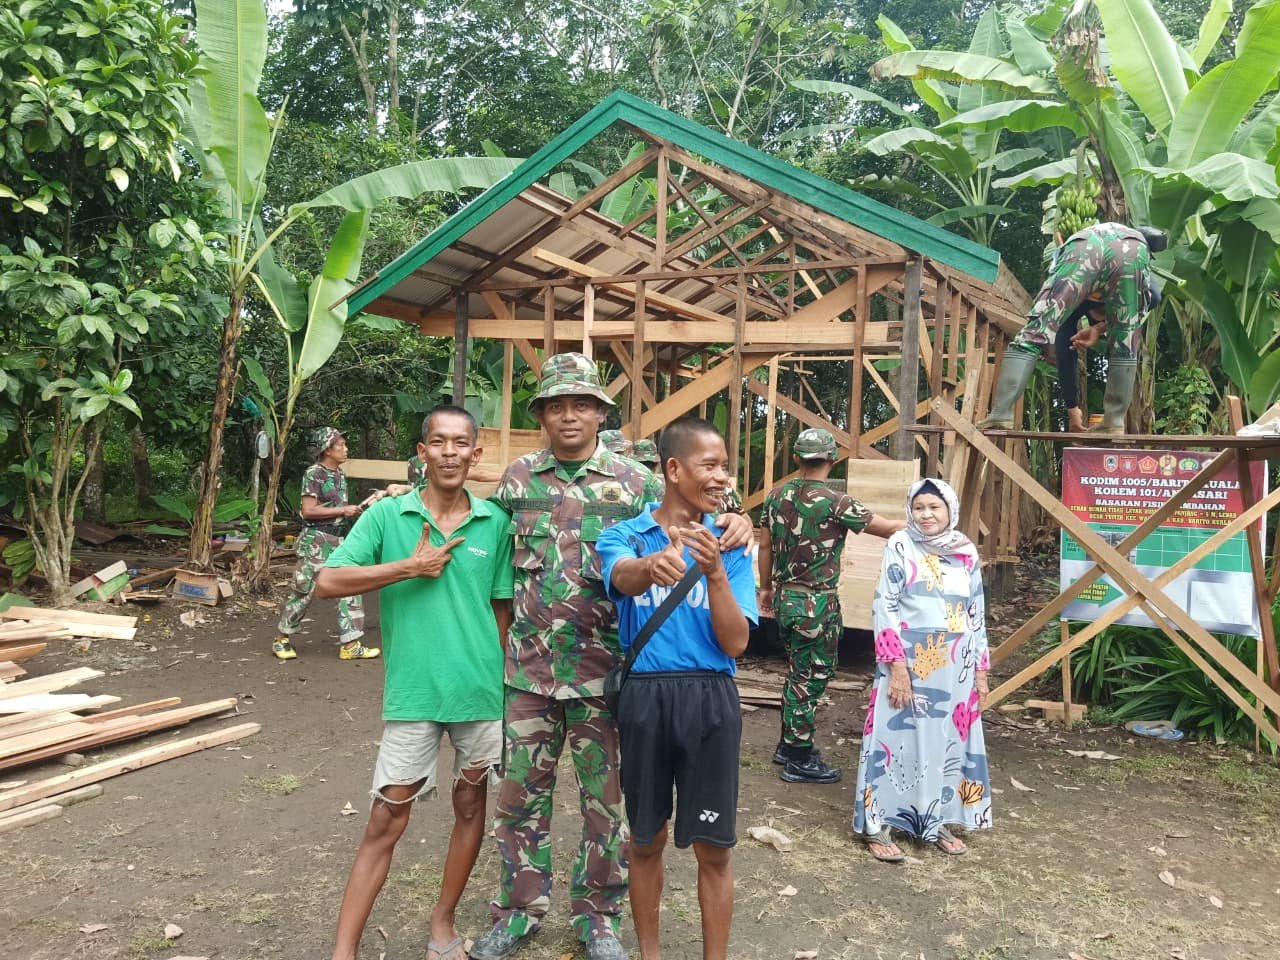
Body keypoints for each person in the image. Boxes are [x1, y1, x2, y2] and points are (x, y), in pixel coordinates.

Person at [470, 353, 752, 960]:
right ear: (541, 415)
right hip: (530, 672)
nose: (569, 415)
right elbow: (479, 536)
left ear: (601, 412)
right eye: (556, 405)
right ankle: (517, 913)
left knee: (607, 807)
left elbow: (694, 502)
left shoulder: (636, 481)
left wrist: (739, 520)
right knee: (519, 802)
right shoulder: (516, 480)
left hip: (607, 675)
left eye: (581, 404)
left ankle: (598, 918)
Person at [315, 406, 513, 960]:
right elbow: (328, 580)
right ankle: (344, 952)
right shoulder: (388, 516)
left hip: (479, 693)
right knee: (386, 817)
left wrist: (499, 682)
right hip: (414, 694)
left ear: (476, 454)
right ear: (422, 452)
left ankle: (442, 924)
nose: (450, 453)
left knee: (470, 806)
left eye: (461, 443)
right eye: (438, 442)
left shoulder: (494, 522)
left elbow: (500, 609)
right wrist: (408, 567)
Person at [597, 416, 757, 960]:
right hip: (646, 696)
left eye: (724, 466)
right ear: (672, 469)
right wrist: (650, 566)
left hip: (711, 697)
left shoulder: (732, 543)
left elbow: (735, 644)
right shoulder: (625, 535)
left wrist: (715, 572)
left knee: (715, 849)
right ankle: (650, 954)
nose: (721, 477)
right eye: (709, 465)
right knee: (646, 840)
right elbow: (621, 576)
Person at [853, 478, 992, 863]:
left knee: (946, 742)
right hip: (909, 660)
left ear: (950, 510)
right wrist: (897, 667)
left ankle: (935, 819)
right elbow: (886, 604)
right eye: (919, 508)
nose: (926, 515)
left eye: (934, 507)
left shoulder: (965, 550)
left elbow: (976, 612)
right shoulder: (901, 544)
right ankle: (878, 824)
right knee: (894, 739)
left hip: (957, 665)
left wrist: (980, 669)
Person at [758, 428, 904, 784]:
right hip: (816, 602)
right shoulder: (837, 502)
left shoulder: (776, 496)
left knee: (797, 671)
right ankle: (798, 757)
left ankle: (788, 745)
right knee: (811, 677)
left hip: (786, 598)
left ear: (797, 458)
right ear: (832, 458)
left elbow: (764, 547)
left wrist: (765, 588)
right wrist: (933, 524)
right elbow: (888, 529)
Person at [978, 222, 1167, 434]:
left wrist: (1098, 329)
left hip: (1084, 248)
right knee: (1125, 341)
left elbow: (1153, 298)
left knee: (1034, 332)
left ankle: (1001, 413)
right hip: (1133, 248)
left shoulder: (1075, 292)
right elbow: (1065, 350)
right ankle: (1114, 422)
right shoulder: (1081, 304)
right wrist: (1072, 408)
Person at [273, 427, 382, 662]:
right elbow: (308, 511)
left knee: (350, 586)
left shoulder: (339, 474)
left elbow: (335, 510)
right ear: (327, 450)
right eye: (340, 445)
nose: (346, 449)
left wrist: (350, 512)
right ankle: (281, 639)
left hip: (338, 541)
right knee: (304, 591)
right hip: (316, 541)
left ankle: (350, 644)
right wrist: (343, 510)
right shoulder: (315, 473)